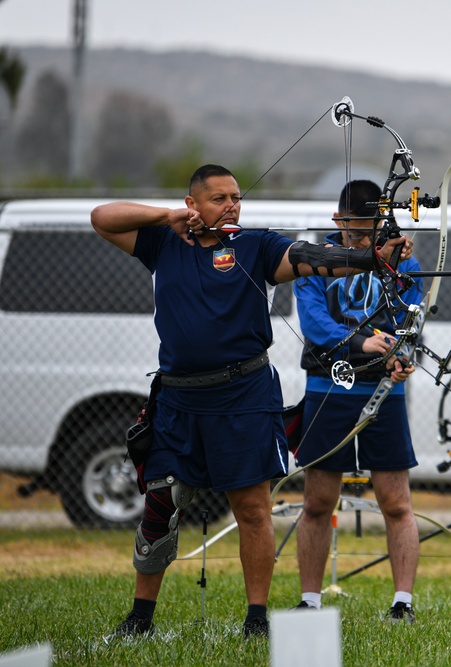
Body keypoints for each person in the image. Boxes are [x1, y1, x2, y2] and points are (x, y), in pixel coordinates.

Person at [91, 164, 412, 639]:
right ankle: (140, 617)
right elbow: (101, 216)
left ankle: (256, 619)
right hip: (179, 397)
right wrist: (165, 217)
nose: (232, 205)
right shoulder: (163, 243)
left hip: (243, 392)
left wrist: (369, 259)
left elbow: (306, 258)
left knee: (253, 509)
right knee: (160, 505)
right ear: (193, 204)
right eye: (219, 198)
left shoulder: (255, 244)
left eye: (236, 197)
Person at [292, 180, 422, 624]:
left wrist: (404, 356)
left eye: (371, 232)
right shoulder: (313, 261)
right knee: (317, 501)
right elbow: (316, 325)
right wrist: (367, 343)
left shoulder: (403, 262)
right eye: (354, 233)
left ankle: (402, 603)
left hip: (385, 392)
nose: (364, 241)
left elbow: (410, 323)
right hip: (329, 389)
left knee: (396, 502)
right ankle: (310, 602)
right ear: (338, 222)